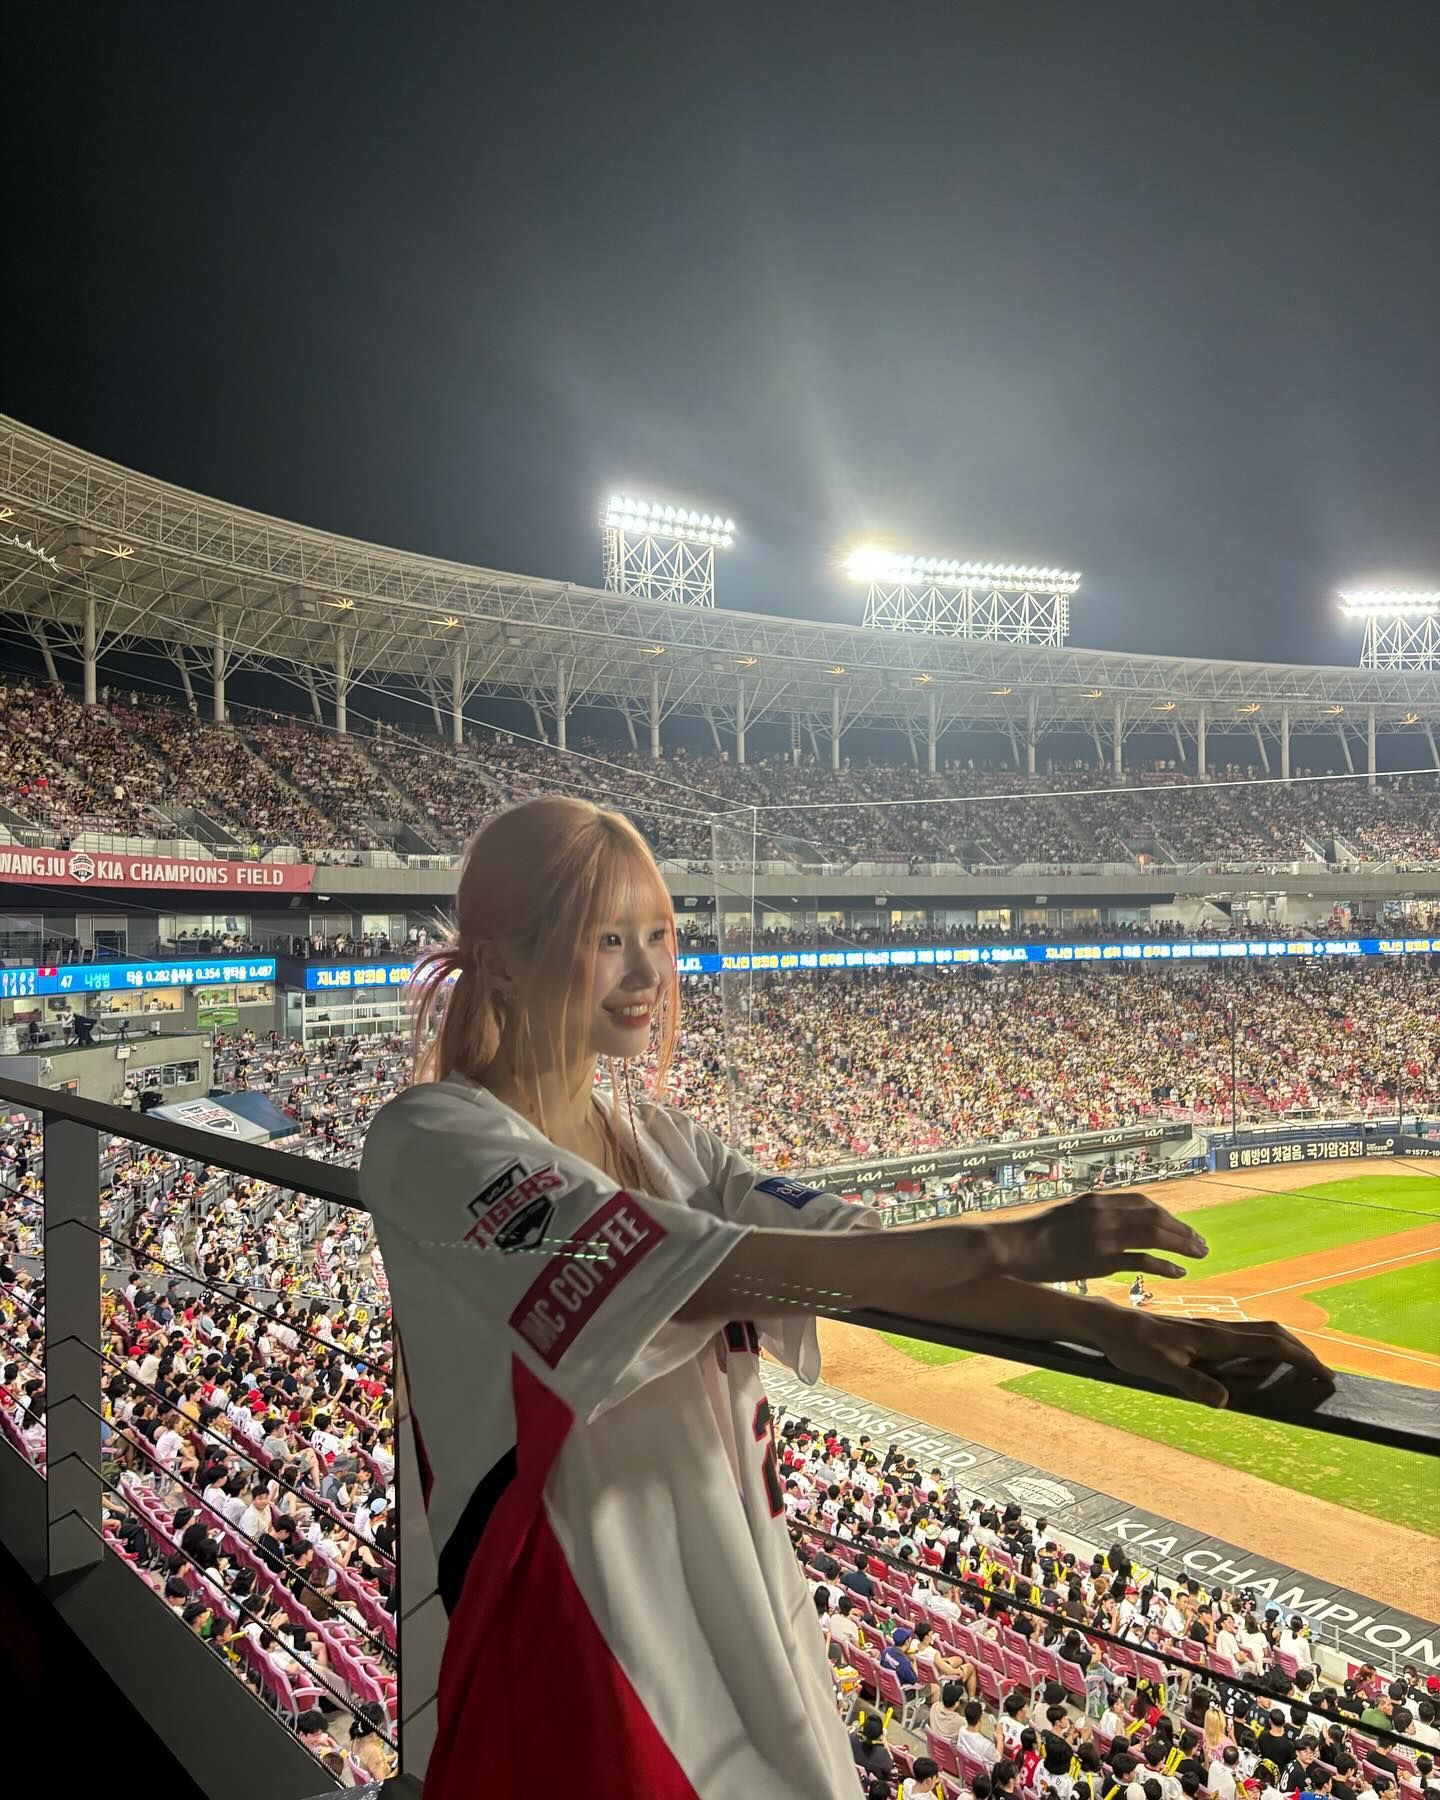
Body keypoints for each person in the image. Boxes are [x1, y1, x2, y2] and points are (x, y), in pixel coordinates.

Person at [358, 796, 1332, 1799]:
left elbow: (864, 1255)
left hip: (743, 1621)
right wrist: (1029, 1236)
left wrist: (1110, 1324)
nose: (650, 974)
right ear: (504, 961)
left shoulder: (673, 1144)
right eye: (609, 939)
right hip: (577, 1658)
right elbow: (720, 1267)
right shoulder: (429, 1141)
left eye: (659, 934)